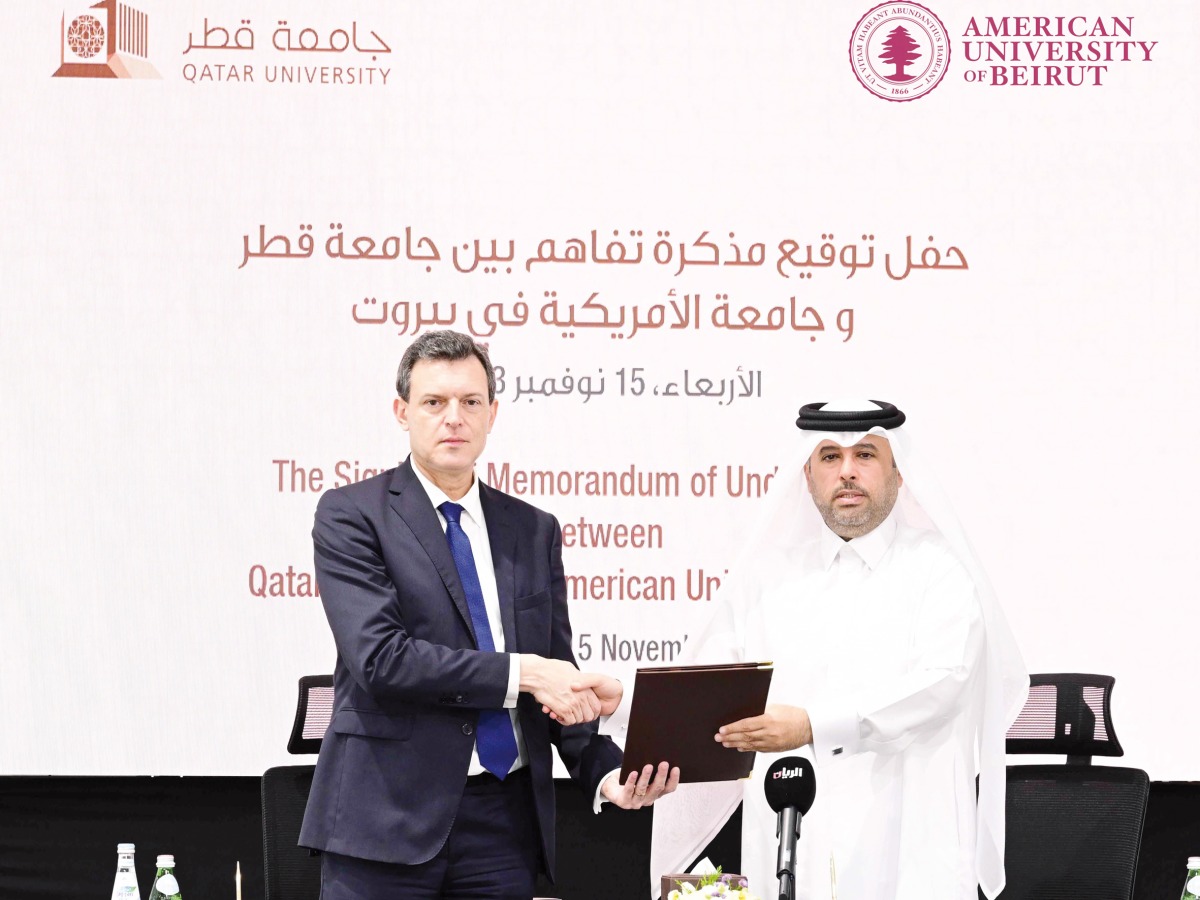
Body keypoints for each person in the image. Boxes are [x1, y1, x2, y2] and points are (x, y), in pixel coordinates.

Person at [299, 330, 678, 899]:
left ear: (493, 413)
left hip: (503, 823)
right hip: (385, 818)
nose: (454, 418)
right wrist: (524, 673)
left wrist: (604, 771)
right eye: (434, 402)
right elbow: (382, 660)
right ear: (402, 412)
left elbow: (557, 673)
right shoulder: (353, 515)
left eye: (471, 402)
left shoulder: (532, 529)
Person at [651, 400, 1027, 900]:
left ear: (898, 472)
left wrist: (813, 725)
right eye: (829, 457)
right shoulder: (766, 578)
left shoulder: (940, 570)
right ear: (807, 475)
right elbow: (709, 688)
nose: (847, 472)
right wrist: (623, 705)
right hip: (792, 844)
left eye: (865, 454)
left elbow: (944, 681)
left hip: (906, 838)